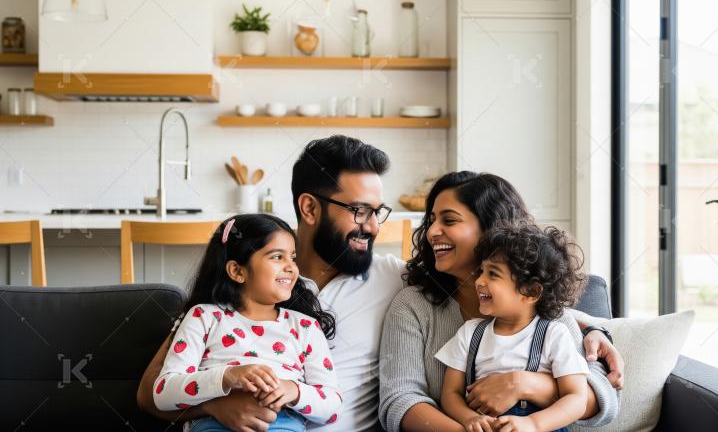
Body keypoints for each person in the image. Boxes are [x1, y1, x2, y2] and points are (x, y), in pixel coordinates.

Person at [138, 136, 623, 431]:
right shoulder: (251, 278)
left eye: (378, 211)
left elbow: (531, 304)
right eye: (359, 211)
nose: (372, 225)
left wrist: (592, 330)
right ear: (309, 208)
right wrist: (217, 406)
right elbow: (151, 393)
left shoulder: (393, 279)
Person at [379, 171, 620, 432]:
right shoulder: (414, 306)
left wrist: (523, 384)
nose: (431, 232)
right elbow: (400, 400)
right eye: (431, 220)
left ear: (491, 228)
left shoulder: (546, 314)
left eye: (449, 220)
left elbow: (603, 395)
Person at [152, 214, 341, 431]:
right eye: (277, 257)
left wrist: (293, 390)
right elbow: (163, 393)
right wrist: (227, 377)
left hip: (283, 424)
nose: (291, 267)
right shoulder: (203, 317)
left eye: (293, 257)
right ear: (237, 271)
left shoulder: (305, 327)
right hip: (212, 425)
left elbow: (333, 407)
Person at [437, 223, 591, 432]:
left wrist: (533, 424)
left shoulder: (554, 334)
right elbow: (450, 393)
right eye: (482, 271)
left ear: (531, 292)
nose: (479, 281)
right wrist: (469, 418)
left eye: (493, 274)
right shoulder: (470, 332)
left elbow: (576, 398)